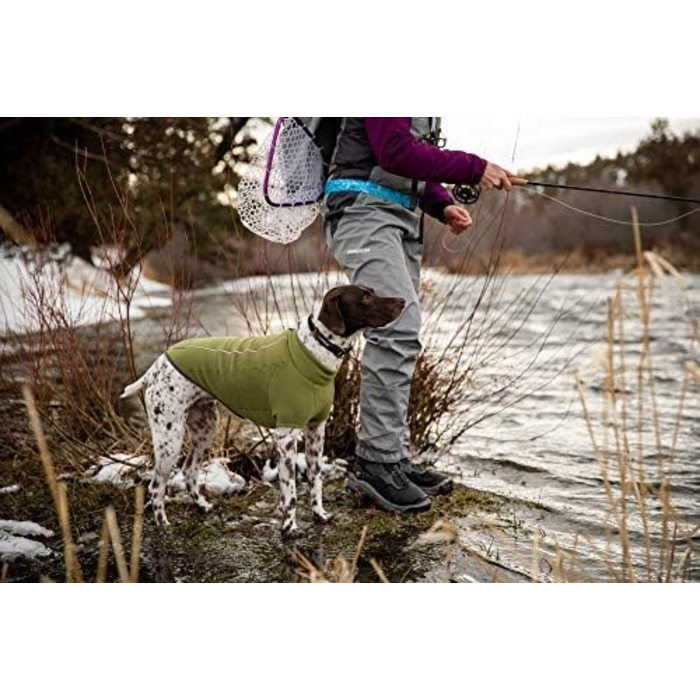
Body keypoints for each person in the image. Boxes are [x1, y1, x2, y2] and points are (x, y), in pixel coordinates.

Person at [323, 117, 514, 512]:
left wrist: (442, 205)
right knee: (395, 330)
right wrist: (475, 167)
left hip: (398, 216)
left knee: (404, 336)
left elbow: (406, 166)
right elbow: (395, 151)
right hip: (362, 210)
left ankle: (392, 457)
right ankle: (374, 465)